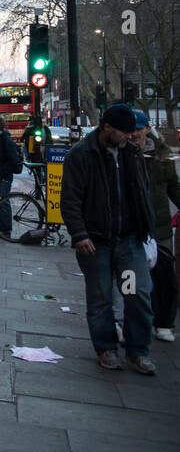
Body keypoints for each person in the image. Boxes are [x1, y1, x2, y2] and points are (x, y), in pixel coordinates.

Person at [60, 104, 156, 374]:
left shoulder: (131, 155)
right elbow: (70, 199)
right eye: (124, 132)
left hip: (128, 240)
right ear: (106, 128)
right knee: (100, 298)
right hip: (96, 242)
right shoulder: (81, 155)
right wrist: (79, 234)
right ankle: (106, 348)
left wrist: (144, 225)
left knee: (135, 293)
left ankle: (138, 351)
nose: (129, 136)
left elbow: (141, 191)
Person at [131, 112, 180, 342]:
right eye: (130, 129)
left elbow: (173, 188)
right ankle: (133, 321)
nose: (134, 133)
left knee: (165, 278)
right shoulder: (120, 155)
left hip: (158, 228)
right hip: (130, 229)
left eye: (138, 128)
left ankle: (164, 323)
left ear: (147, 129)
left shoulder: (161, 158)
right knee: (131, 280)